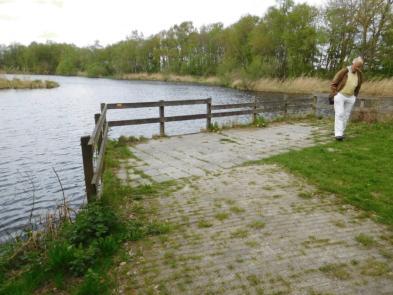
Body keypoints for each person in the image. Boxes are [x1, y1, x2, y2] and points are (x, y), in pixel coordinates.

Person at [329, 57, 364, 141]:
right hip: (340, 95)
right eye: (357, 66)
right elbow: (334, 83)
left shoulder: (359, 74)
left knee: (346, 115)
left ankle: (341, 132)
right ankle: (338, 134)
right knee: (340, 113)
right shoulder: (344, 71)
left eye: (359, 66)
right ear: (353, 63)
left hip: (351, 97)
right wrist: (335, 93)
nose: (358, 68)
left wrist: (355, 96)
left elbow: (358, 86)